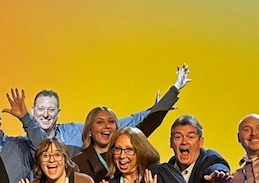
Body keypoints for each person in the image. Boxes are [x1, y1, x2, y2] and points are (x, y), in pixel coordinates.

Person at [31, 64, 190, 149]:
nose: (46, 114)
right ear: (33, 111)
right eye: (41, 109)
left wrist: (157, 107)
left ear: (58, 113)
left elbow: (124, 123)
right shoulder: (23, 144)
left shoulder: (74, 132)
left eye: (51, 109)